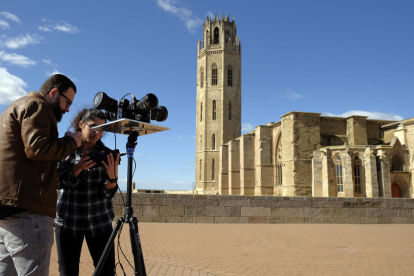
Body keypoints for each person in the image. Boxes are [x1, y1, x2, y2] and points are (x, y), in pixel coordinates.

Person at [0, 74, 82, 276]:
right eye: (67, 101)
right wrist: (71, 142)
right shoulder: (38, 106)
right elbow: (37, 149)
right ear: (53, 92)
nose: (68, 108)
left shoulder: (12, 108)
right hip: (28, 211)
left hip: (8, 209)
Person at [55, 108, 120, 276]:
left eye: (102, 128)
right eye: (93, 126)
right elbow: (56, 182)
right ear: (81, 124)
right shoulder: (64, 149)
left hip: (99, 222)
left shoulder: (106, 155)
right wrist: (77, 168)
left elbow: (107, 195)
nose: (97, 132)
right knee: (67, 272)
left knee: (106, 271)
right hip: (69, 221)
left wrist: (112, 180)